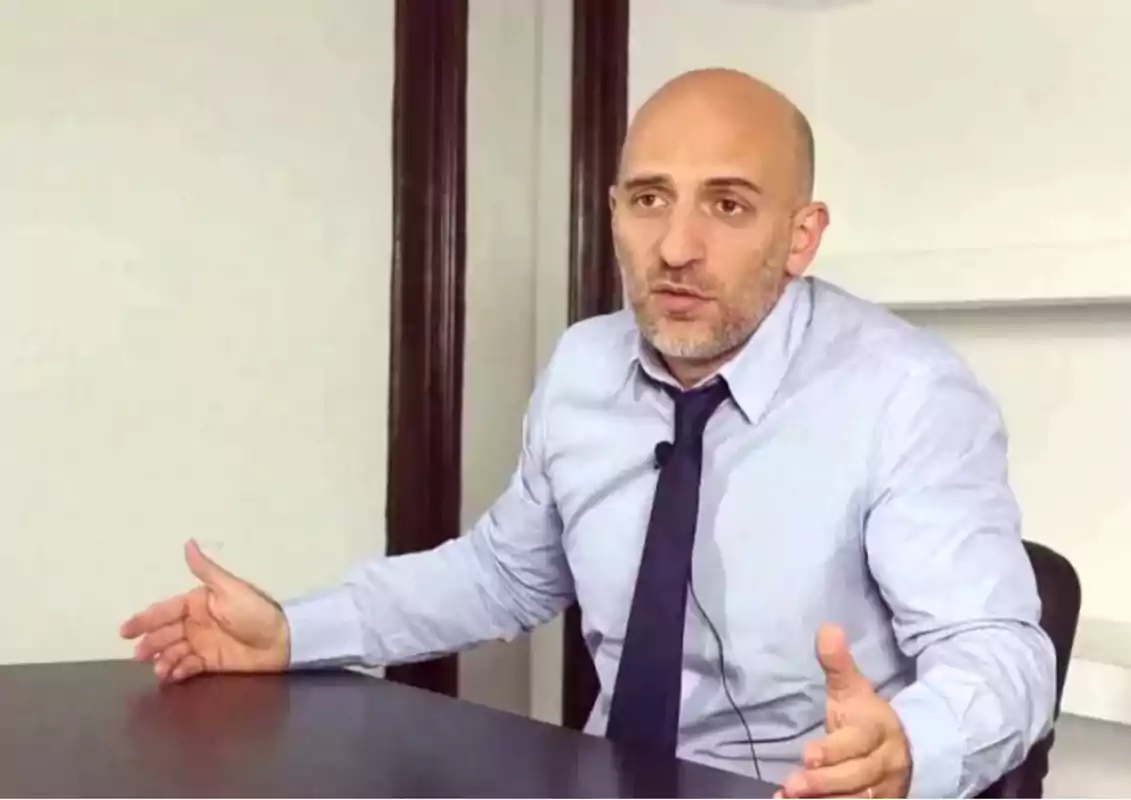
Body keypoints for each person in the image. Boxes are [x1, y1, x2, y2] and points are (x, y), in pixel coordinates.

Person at [120, 68, 1055, 798]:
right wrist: (292, 630)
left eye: (727, 205)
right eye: (650, 199)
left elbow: (1002, 654)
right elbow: (502, 572)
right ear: (613, 212)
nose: (677, 248)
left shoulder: (904, 394)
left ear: (801, 236)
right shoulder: (583, 368)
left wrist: (903, 755)